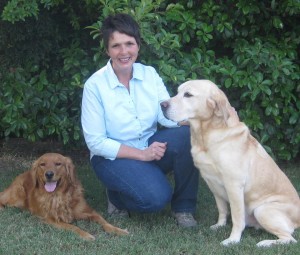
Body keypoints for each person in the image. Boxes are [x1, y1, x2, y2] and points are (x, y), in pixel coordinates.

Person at [81, 13, 199, 227]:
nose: (124, 51)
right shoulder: (95, 85)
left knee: (190, 135)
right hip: (111, 157)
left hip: (149, 144)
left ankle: (184, 207)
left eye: (129, 43)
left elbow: (169, 117)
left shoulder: (149, 74)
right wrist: (142, 155)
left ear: (138, 46)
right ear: (107, 50)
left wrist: (208, 118)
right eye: (116, 46)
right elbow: (96, 143)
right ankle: (116, 197)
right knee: (155, 199)